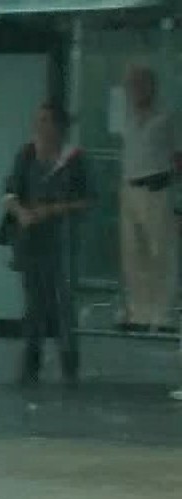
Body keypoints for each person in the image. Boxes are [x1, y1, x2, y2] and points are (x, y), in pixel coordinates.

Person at [1, 100, 93, 387]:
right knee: (34, 302)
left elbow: (88, 199)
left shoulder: (74, 159)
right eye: (38, 120)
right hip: (31, 239)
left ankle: (69, 363)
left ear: (59, 126)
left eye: (45, 121)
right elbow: (9, 191)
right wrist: (21, 212)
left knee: (63, 301)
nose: (38, 126)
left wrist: (50, 210)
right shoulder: (26, 154)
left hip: (61, 239)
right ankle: (31, 361)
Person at [115, 61, 178, 332]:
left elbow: (178, 155)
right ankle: (139, 313)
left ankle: (162, 315)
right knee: (133, 253)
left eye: (141, 83)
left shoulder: (166, 117)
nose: (136, 89)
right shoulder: (125, 117)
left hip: (157, 189)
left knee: (161, 253)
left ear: (152, 86)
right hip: (130, 189)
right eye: (132, 84)